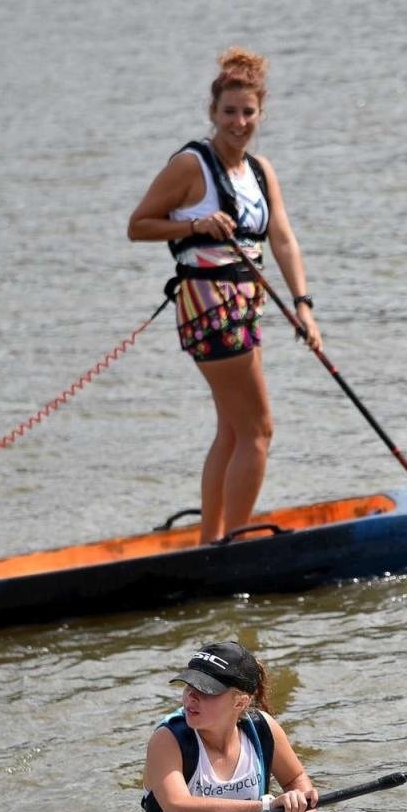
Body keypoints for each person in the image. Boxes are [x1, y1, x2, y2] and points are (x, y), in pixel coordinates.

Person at [128, 47, 322, 544]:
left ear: (261, 112)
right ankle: (236, 546)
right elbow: (138, 226)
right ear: (212, 112)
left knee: (233, 430)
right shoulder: (191, 165)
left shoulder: (260, 170)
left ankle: (211, 542)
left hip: (245, 307)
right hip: (210, 308)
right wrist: (195, 222)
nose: (239, 122)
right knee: (260, 430)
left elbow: (281, 238)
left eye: (248, 112)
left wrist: (303, 305)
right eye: (229, 112)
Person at [142, 639, 336, 812]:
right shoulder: (167, 739)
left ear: (240, 702)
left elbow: (295, 778)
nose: (191, 696)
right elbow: (179, 810)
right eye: (189, 684)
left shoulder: (264, 729)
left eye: (206, 690)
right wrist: (267, 806)